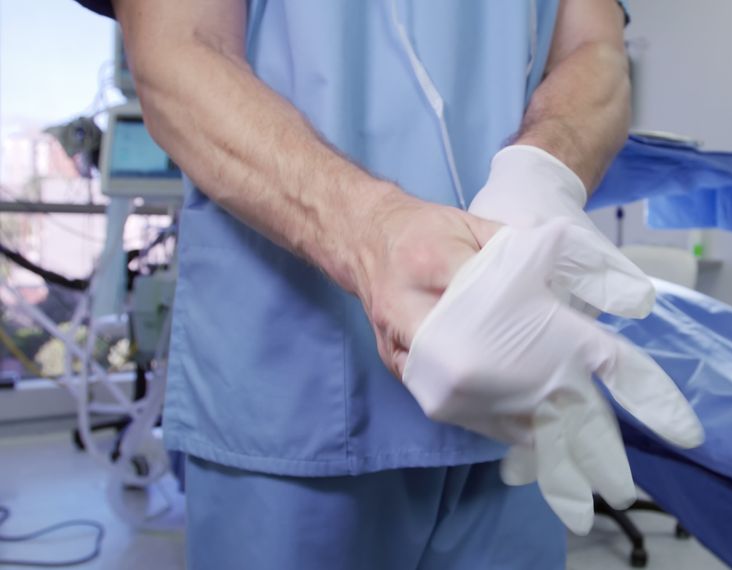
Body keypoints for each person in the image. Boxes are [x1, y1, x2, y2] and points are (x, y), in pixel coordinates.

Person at [72, 0, 674, 568]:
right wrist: (373, 233)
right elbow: (179, 49)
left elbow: (596, 48)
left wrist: (542, 169)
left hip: (514, 390)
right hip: (292, 395)